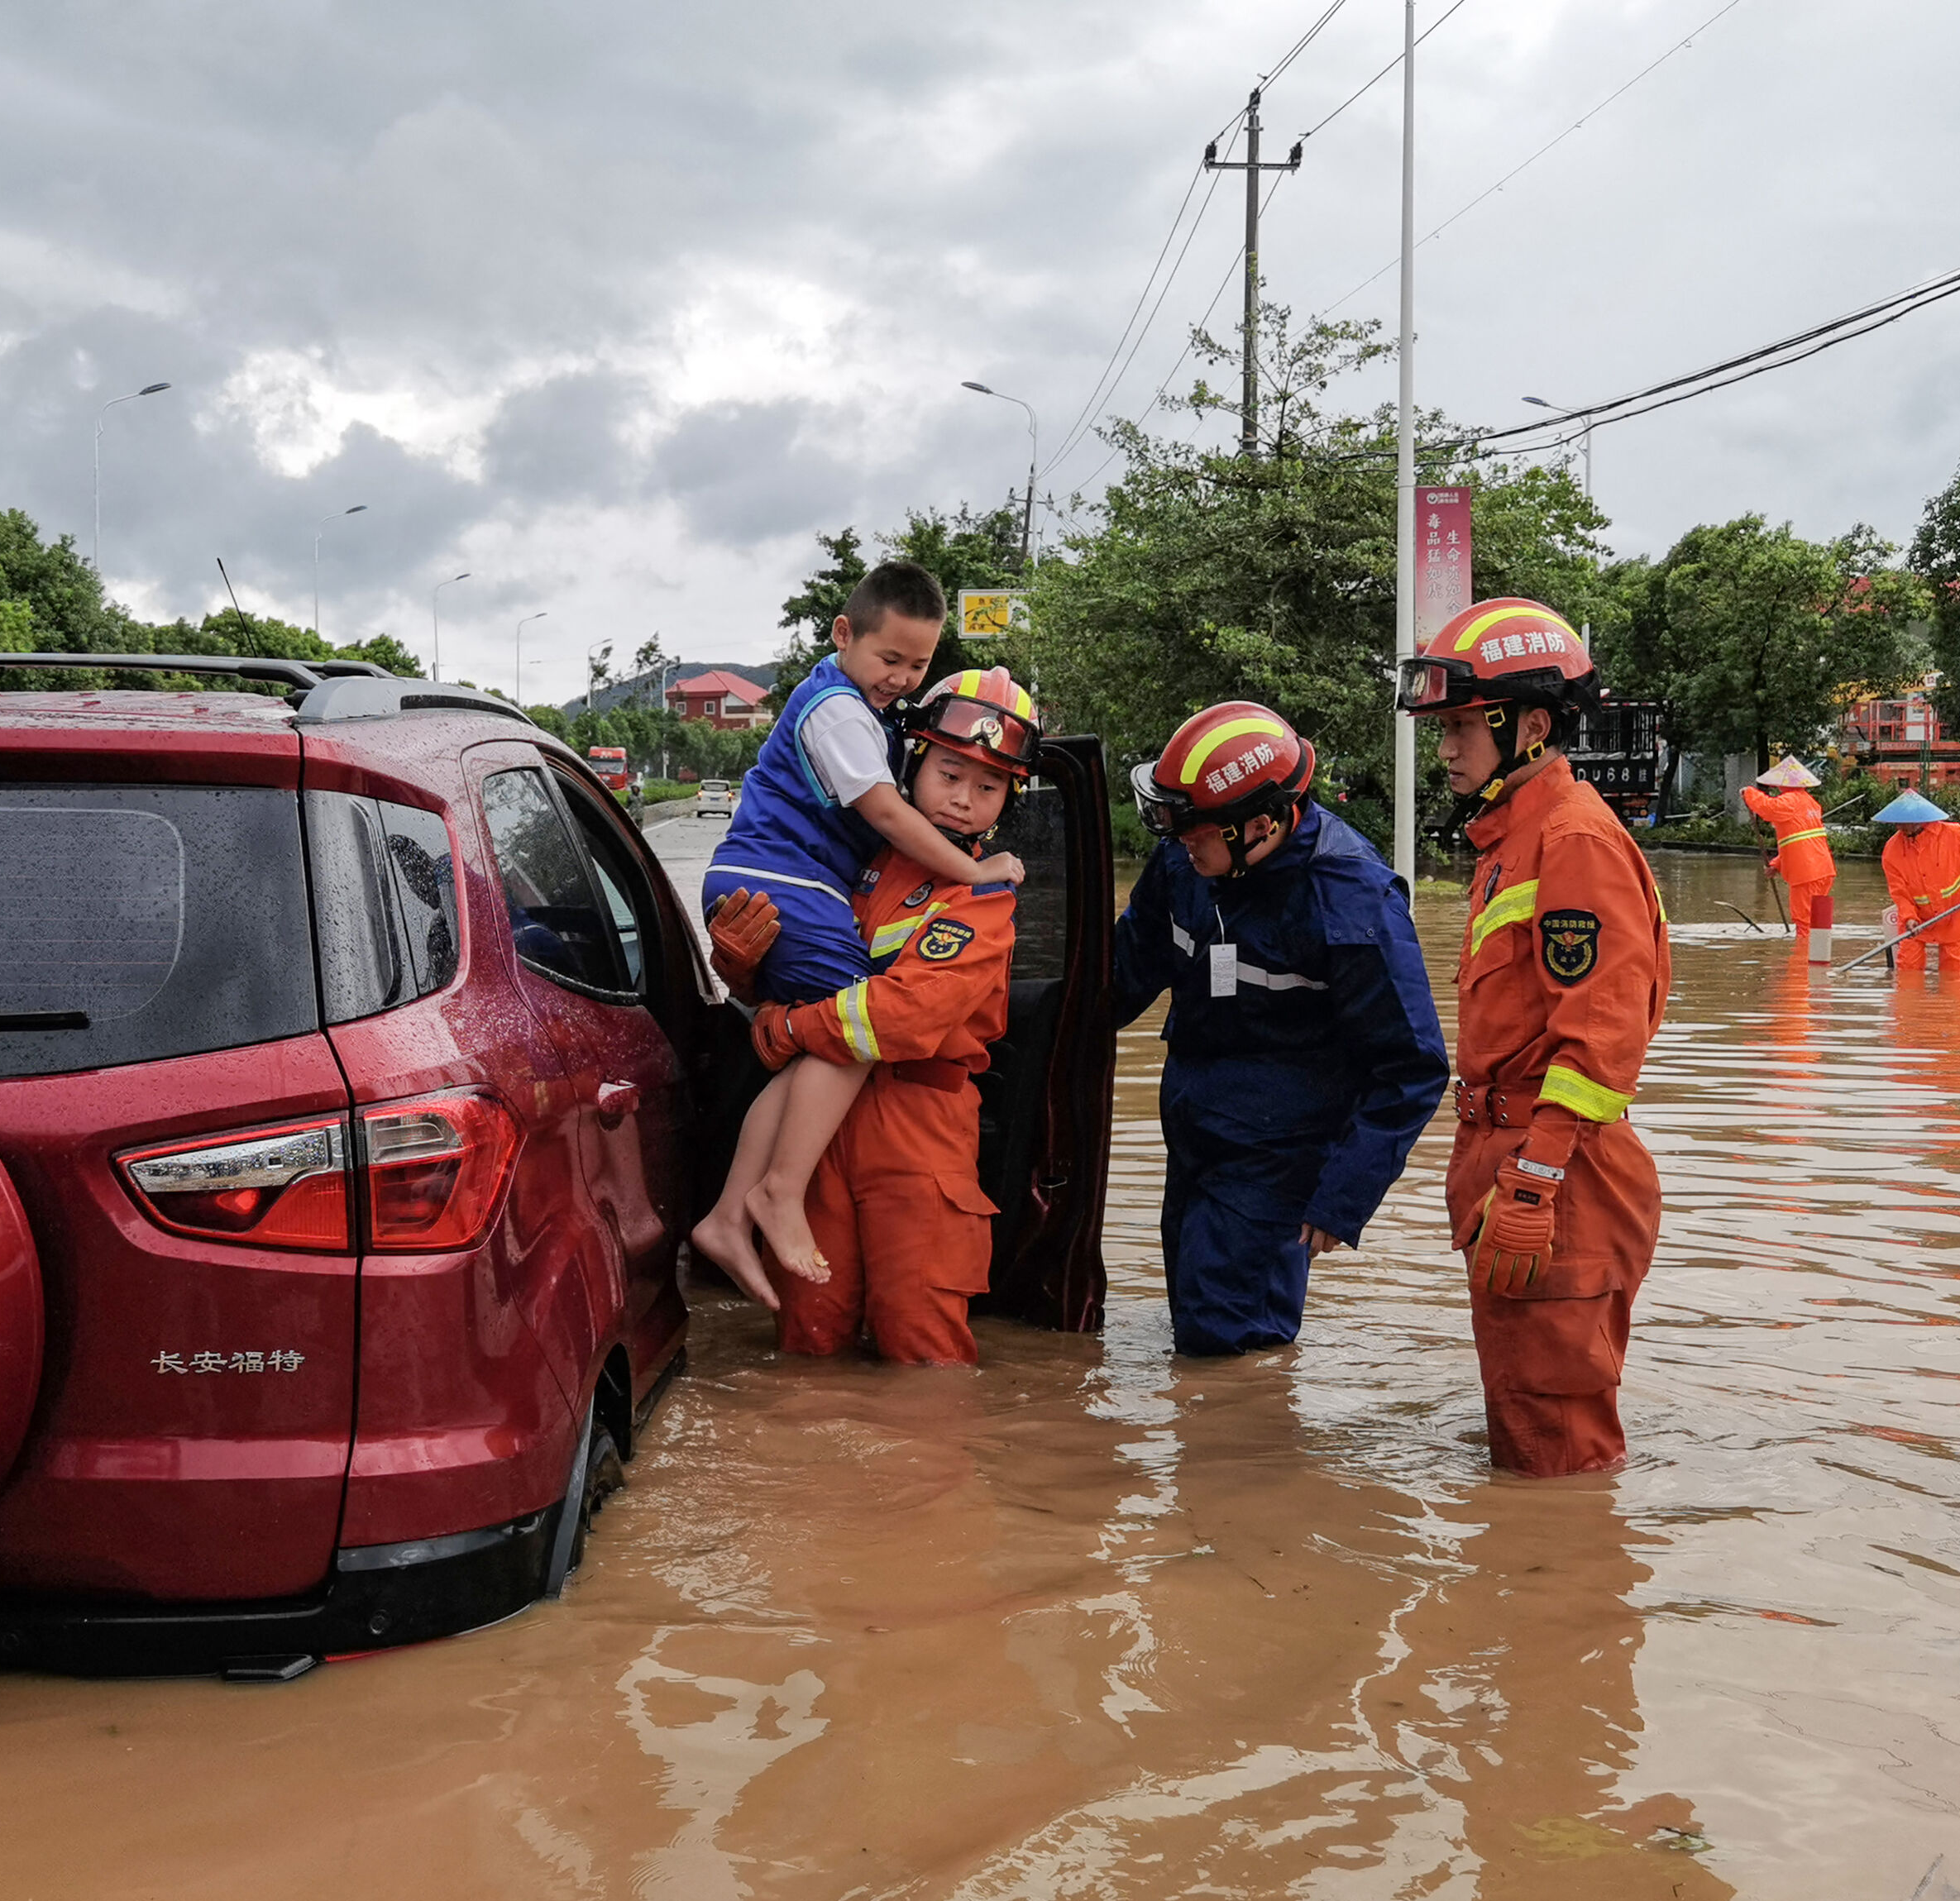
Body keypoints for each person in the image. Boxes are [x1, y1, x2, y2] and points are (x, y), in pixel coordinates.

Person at [691, 567, 1025, 1303]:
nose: (963, 798)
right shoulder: (868, 803)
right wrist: (748, 982)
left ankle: (736, 1209)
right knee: (814, 1336)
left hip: (912, 1136)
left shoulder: (957, 893)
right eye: (948, 773)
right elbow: (886, 815)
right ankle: (771, 1195)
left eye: (988, 786)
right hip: (831, 1139)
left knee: (921, 1342)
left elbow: (895, 1016)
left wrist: (783, 1025)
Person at [1397, 599, 1671, 1478]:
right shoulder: (1511, 840)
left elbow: (1601, 1039)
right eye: (1441, 727)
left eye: (1462, 726)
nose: (1445, 747)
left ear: (1533, 724)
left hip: (1557, 1176)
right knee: (1525, 1431)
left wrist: (1535, 1182)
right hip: (1514, 1163)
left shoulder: (1572, 839)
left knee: (1559, 1463)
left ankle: (1561, 1604)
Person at [1109, 702, 1449, 1357]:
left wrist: (1342, 1196)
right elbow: (1121, 972)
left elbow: (1411, 1066)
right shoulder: (1187, 860)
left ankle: (1249, 1451)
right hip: (1194, 1129)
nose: (1179, 844)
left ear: (1259, 826)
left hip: (1279, 1156)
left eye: (1195, 832)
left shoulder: (1349, 901)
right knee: (1193, 1316)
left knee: (1229, 1347)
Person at [1872, 790, 1960, 972]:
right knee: (1908, 970)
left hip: (1956, 914)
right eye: (1896, 822)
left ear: (1917, 821)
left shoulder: (1955, 835)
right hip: (1917, 919)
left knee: (1954, 975)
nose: (1898, 827)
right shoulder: (1892, 850)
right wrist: (1909, 917)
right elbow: (1900, 893)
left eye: (1901, 822)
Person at [1737, 754, 1837, 960]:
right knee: (1817, 921)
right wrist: (1776, 864)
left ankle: (1802, 965)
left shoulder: (1790, 801)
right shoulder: (1810, 802)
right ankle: (1817, 961)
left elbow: (1768, 809)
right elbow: (1798, 841)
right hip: (1822, 870)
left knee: (1804, 922)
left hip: (1806, 873)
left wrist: (1749, 793)